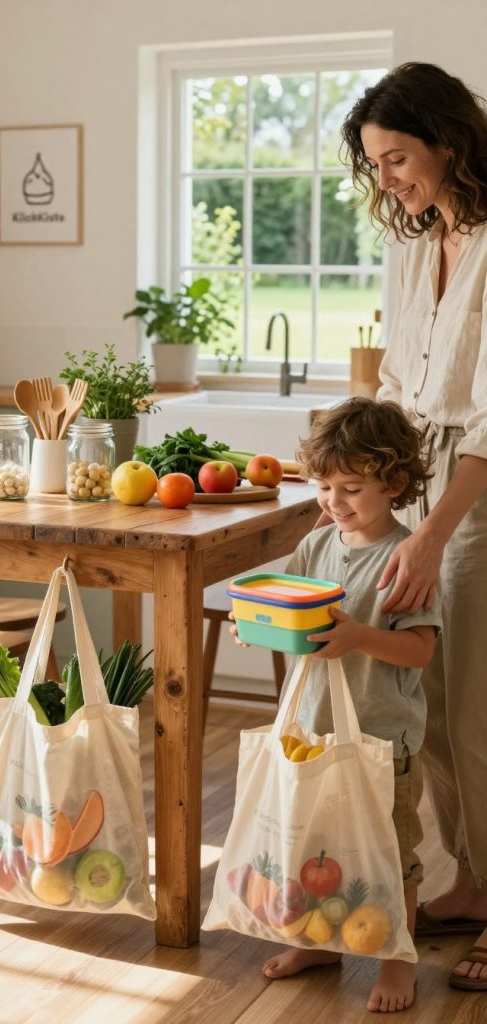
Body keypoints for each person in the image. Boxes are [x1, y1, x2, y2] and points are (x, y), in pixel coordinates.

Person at [340, 62, 487, 993]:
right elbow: (397, 382)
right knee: (427, 707)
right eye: (376, 166)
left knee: (472, 709)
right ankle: (465, 881)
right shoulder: (412, 243)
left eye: (398, 158)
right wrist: (363, 472)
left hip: (473, 489)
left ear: (449, 139)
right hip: (418, 477)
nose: (388, 179)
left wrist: (431, 533)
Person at [231, 397, 441, 1012]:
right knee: (315, 841)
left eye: (352, 488)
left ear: (395, 483)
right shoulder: (319, 545)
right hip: (312, 731)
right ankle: (320, 941)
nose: (334, 502)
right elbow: (288, 611)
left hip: (382, 738)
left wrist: (356, 637)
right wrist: (259, 626)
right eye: (324, 486)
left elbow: (419, 652)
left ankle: (397, 959)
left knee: (385, 853)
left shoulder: (405, 559)